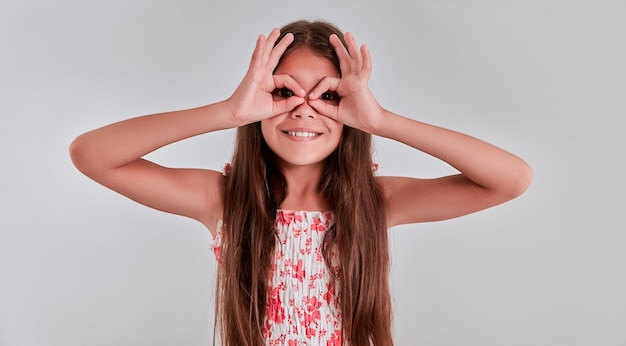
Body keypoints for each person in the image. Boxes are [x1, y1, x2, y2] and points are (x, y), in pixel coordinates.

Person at [70, 20, 532, 346]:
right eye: (284, 91)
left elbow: (511, 180)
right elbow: (92, 155)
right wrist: (228, 112)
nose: (305, 109)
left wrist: (383, 121)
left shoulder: (378, 201)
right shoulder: (224, 201)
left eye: (329, 95)